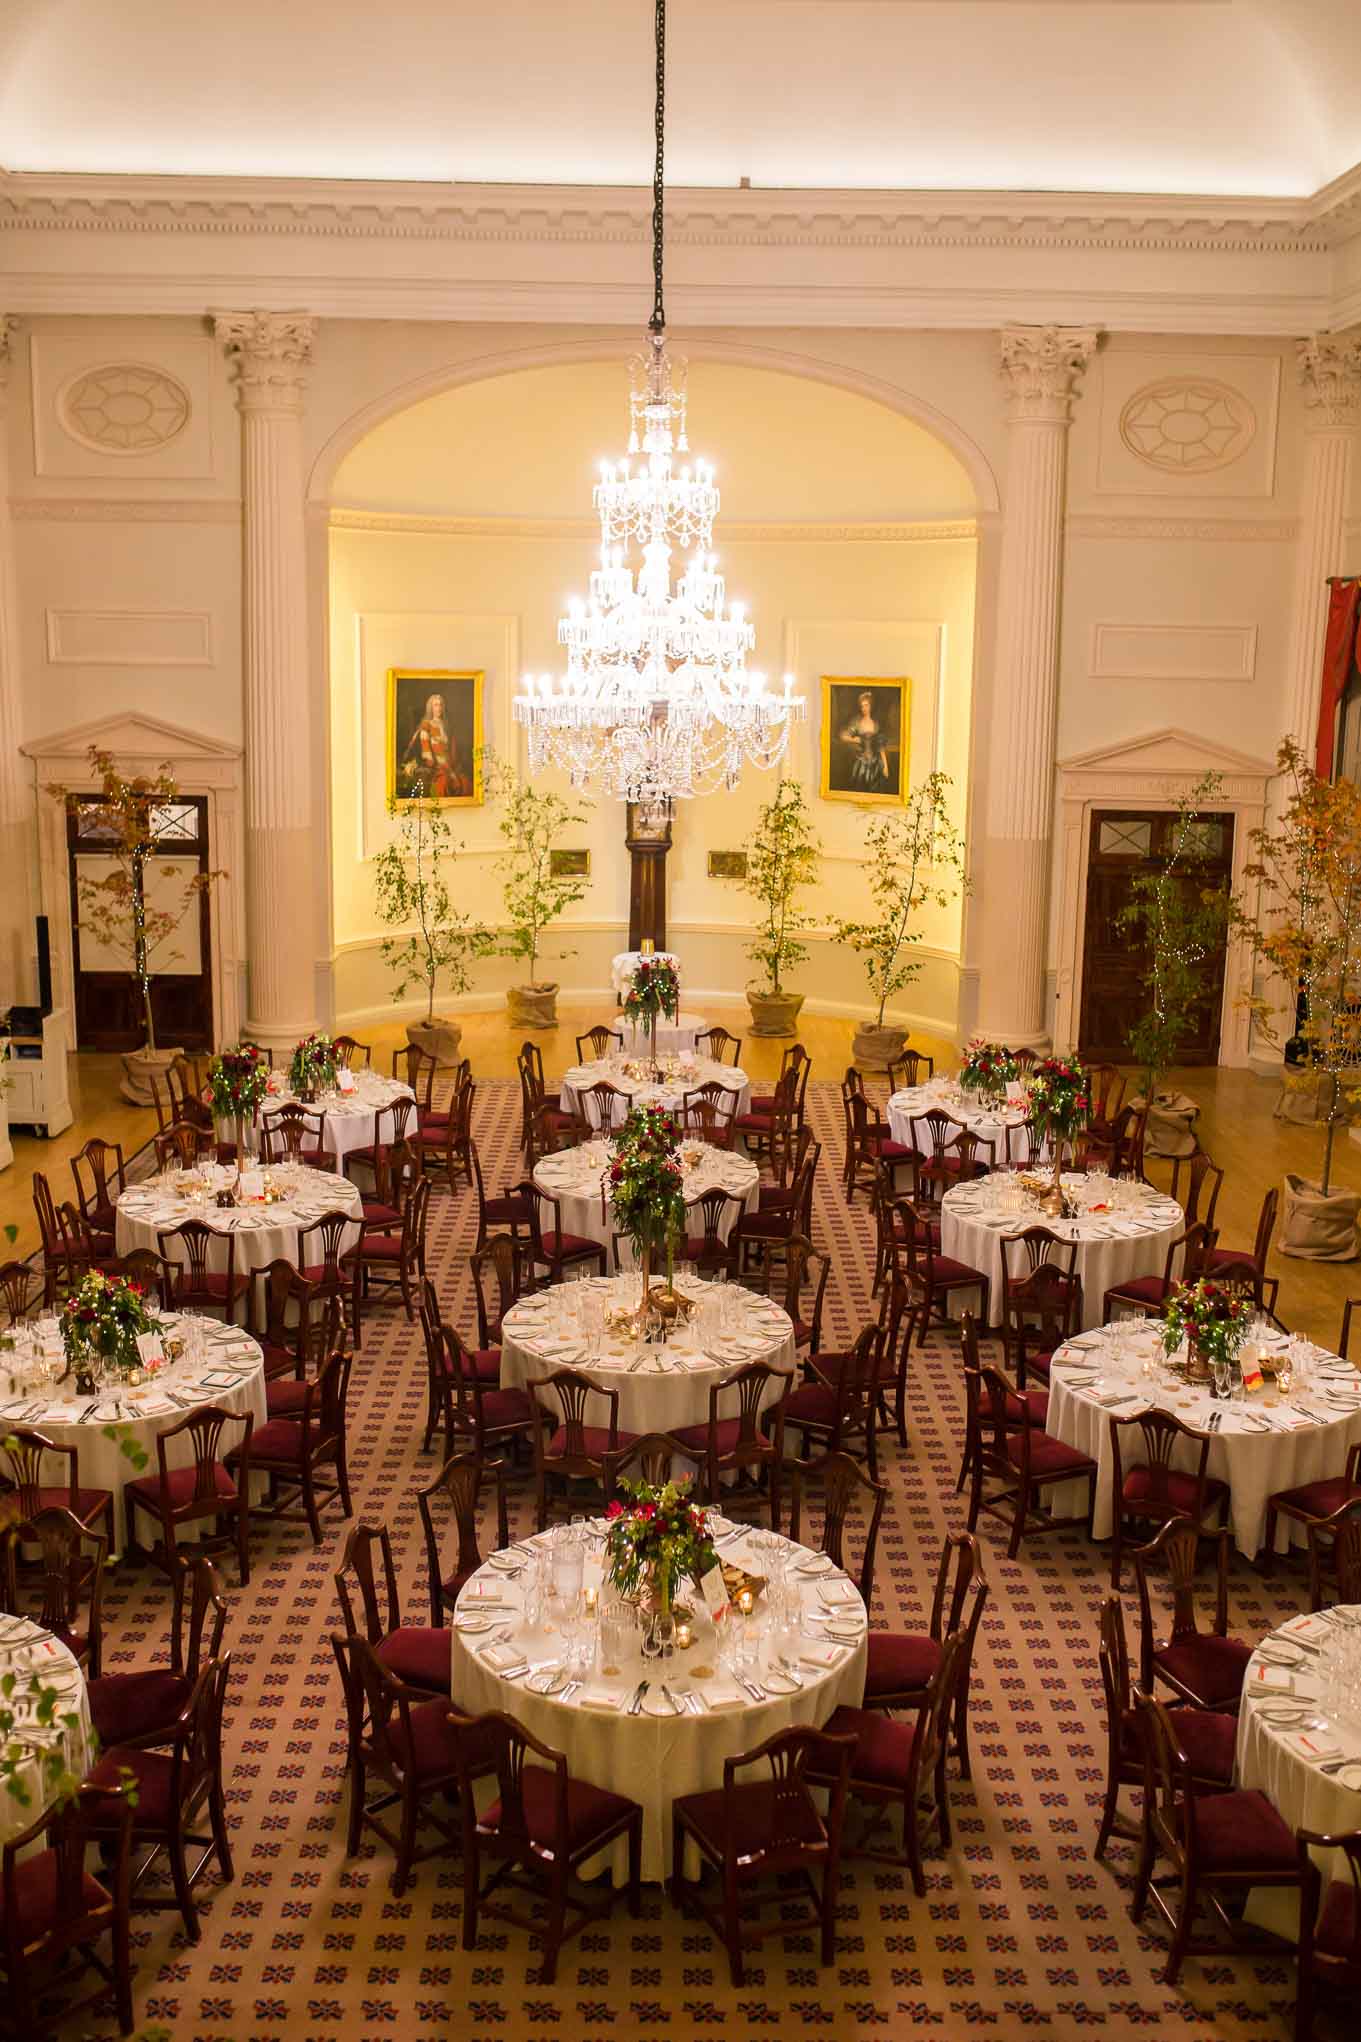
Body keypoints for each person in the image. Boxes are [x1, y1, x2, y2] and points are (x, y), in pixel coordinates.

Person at [401, 691, 472, 799]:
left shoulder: (446, 726)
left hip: (450, 765)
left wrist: (453, 769)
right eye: (436, 705)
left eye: (441, 705)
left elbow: (452, 751)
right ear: (431, 708)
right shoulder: (426, 726)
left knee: (467, 784)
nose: (439, 708)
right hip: (435, 767)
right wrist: (447, 771)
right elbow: (428, 756)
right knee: (443, 784)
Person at [836, 688, 892, 794]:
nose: (864, 708)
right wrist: (854, 739)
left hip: (875, 764)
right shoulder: (857, 721)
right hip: (860, 763)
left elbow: (881, 747)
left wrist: (885, 766)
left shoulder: (875, 724)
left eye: (866, 705)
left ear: (871, 706)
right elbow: (843, 736)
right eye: (862, 706)